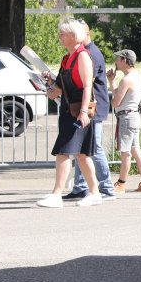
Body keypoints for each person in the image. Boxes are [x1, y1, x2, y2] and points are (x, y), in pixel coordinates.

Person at [39, 19, 109, 207]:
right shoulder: (67, 58)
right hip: (69, 110)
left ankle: (57, 194)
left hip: (78, 111)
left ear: (73, 35)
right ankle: (94, 192)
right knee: (81, 155)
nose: (59, 37)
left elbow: (87, 86)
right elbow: (61, 86)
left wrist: (84, 112)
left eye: (62, 33)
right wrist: (51, 88)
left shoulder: (83, 56)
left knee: (63, 152)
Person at [110, 49, 141, 192]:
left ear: (124, 60)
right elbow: (120, 95)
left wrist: (112, 96)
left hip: (126, 117)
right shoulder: (136, 77)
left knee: (125, 152)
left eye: (118, 59)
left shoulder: (126, 80)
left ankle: (121, 183)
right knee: (135, 150)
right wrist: (112, 81)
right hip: (134, 115)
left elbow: (116, 102)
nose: (116, 62)